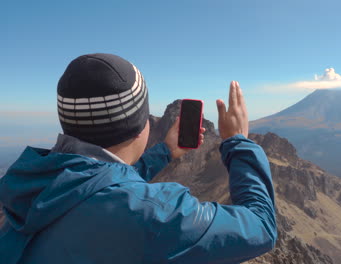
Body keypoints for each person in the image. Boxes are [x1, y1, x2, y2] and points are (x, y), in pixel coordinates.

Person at [0, 53, 277, 263]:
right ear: (138, 125)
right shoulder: (156, 215)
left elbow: (96, 189)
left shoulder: (30, 184)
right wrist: (239, 142)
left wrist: (164, 153)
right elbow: (261, 226)